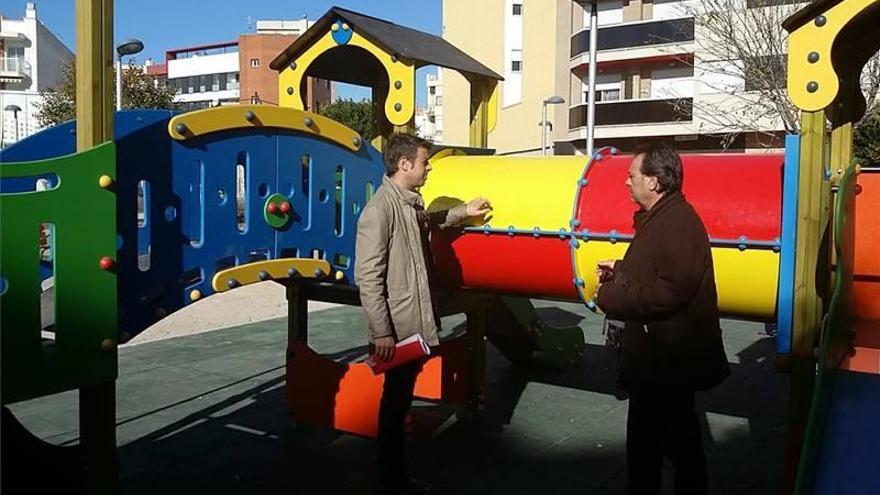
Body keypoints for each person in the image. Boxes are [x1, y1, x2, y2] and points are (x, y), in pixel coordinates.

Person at [354, 133, 491, 495]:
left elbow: (430, 221)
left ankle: (394, 476)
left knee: (400, 400)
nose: (428, 167)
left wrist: (464, 212)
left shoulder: (409, 204)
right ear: (404, 165)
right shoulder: (379, 211)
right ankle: (393, 479)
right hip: (398, 329)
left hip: (411, 322)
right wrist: (381, 332)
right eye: (424, 161)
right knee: (395, 404)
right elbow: (367, 277)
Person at [594, 142, 730, 495]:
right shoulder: (663, 218)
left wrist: (611, 296)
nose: (626, 182)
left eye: (631, 175)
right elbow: (658, 271)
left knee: (673, 443)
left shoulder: (678, 223)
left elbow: (669, 291)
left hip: (668, 362)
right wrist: (622, 269)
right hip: (657, 361)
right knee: (652, 440)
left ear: (653, 182)